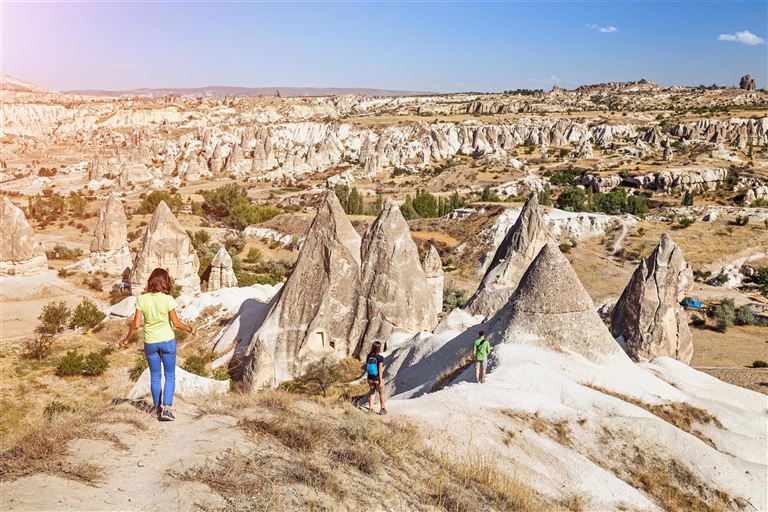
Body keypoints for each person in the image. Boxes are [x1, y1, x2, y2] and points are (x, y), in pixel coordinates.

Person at [119, 268, 194, 421]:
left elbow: (136, 325)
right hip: (167, 341)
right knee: (170, 375)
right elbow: (176, 323)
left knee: (155, 375)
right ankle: (167, 409)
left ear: (151, 281)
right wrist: (189, 328)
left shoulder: (142, 299)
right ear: (165, 282)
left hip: (150, 342)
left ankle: (156, 407)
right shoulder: (168, 299)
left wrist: (126, 339)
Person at [365, 341, 386, 415]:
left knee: (372, 393)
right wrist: (381, 381)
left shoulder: (368, 356)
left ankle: (370, 410)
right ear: (379, 348)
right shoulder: (380, 357)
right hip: (377, 378)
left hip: (370, 378)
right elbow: (380, 370)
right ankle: (382, 409)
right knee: (381, 393)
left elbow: (367, 366)